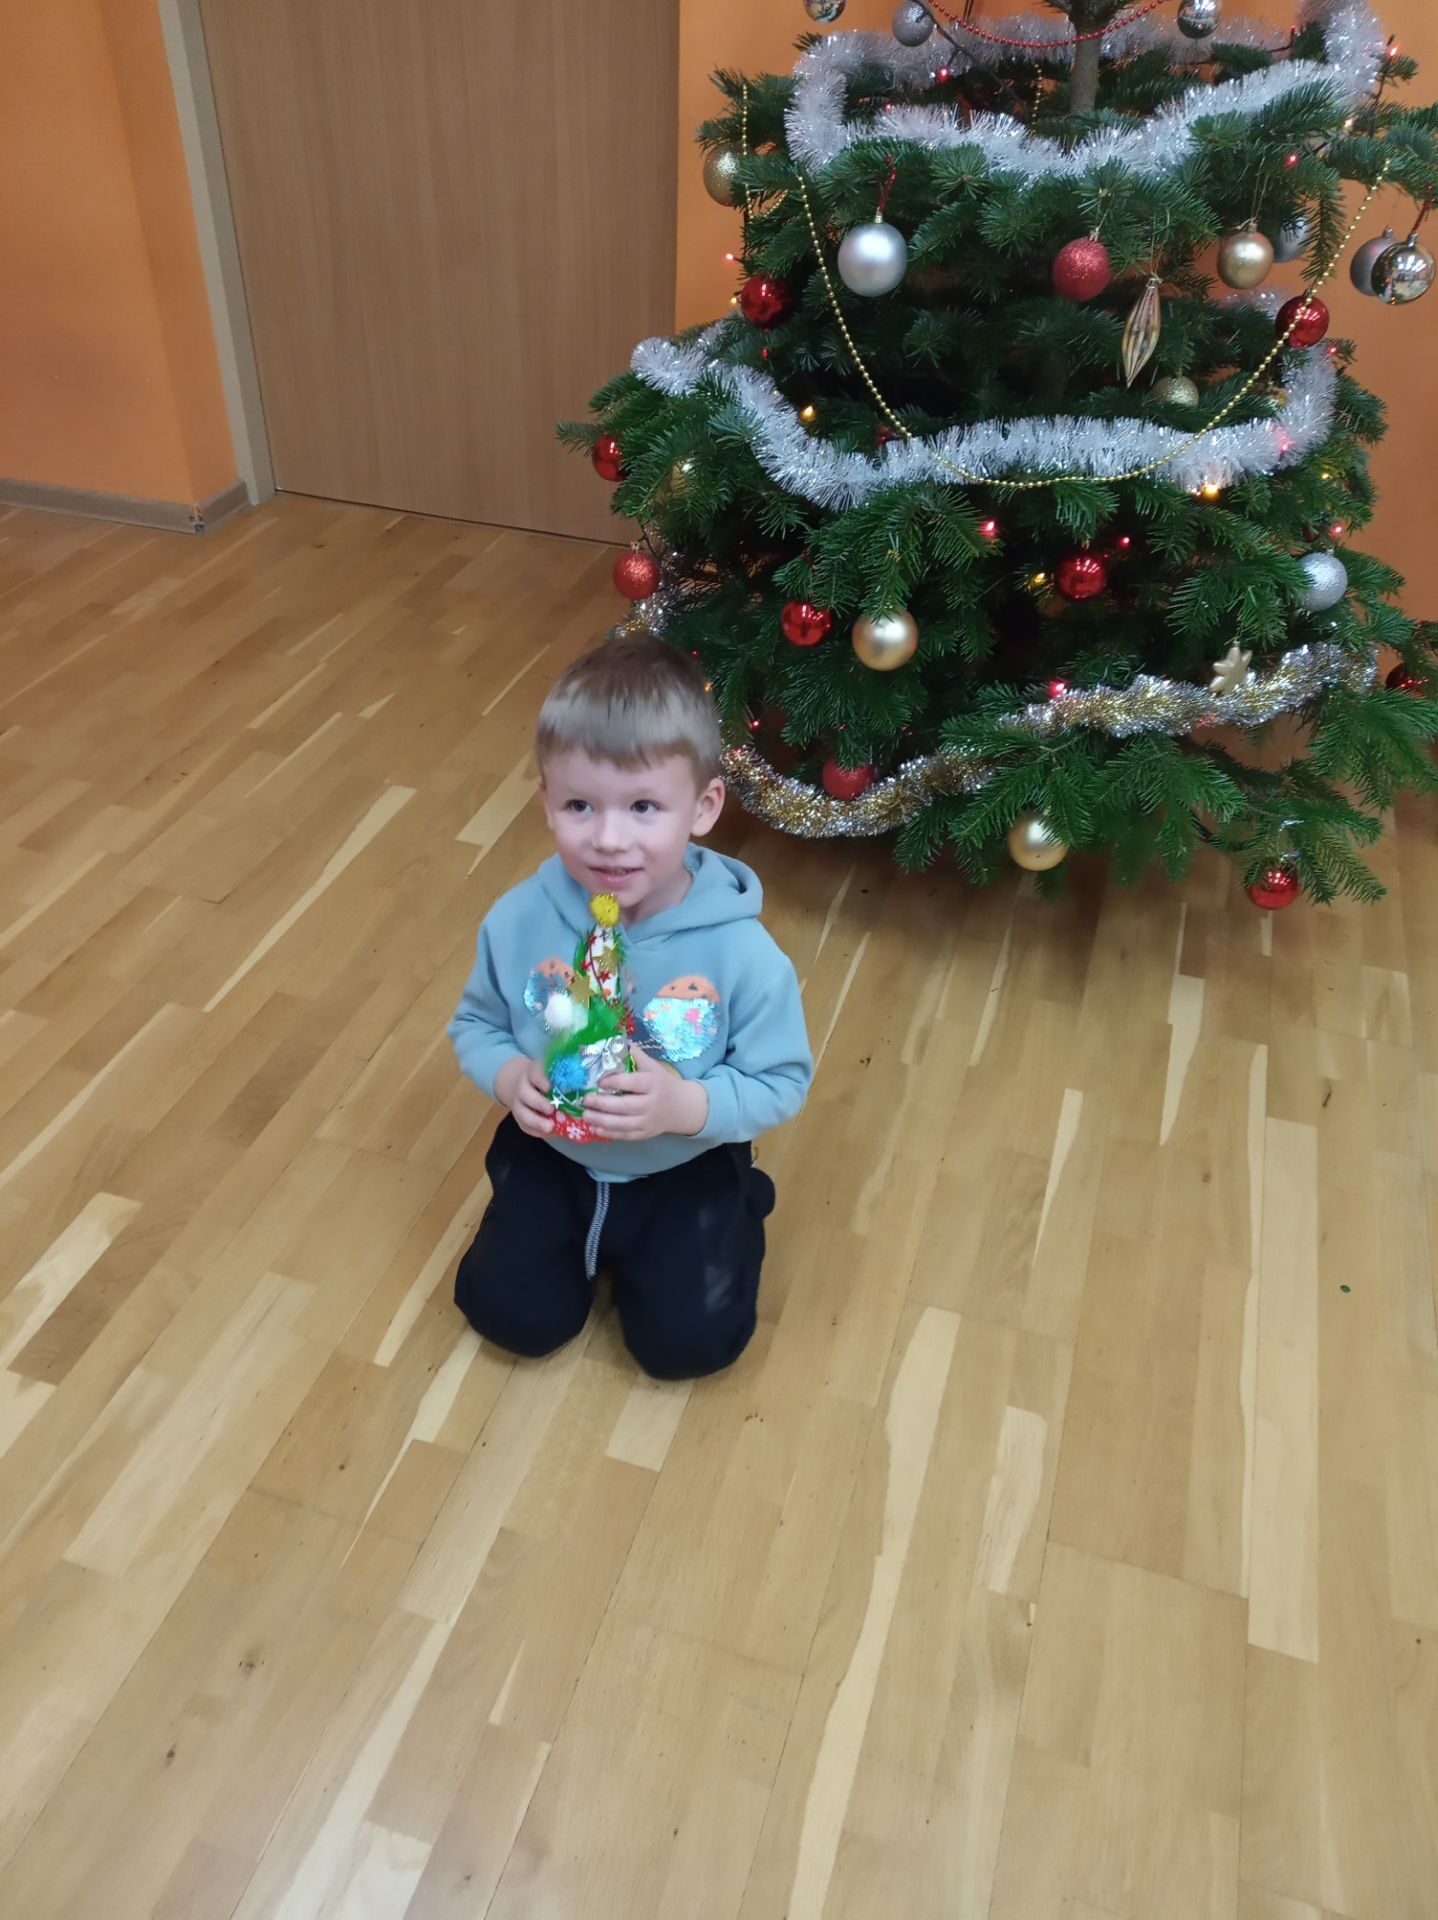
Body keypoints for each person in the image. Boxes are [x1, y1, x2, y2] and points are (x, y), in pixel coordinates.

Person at [447, 637, 813, 1380]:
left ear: (703, 808)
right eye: (580, 805)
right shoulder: (518, 919)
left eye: (644, 806)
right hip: (554, 1155)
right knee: (509, 1317)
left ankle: (739, 1206)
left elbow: (781, 1081)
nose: (610, 840)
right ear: (546, 802)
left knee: (689, 1347)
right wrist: (510, 1076)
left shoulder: (744, 955)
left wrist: (686, 1106)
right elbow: (475, 1025)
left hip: (684, 1163)